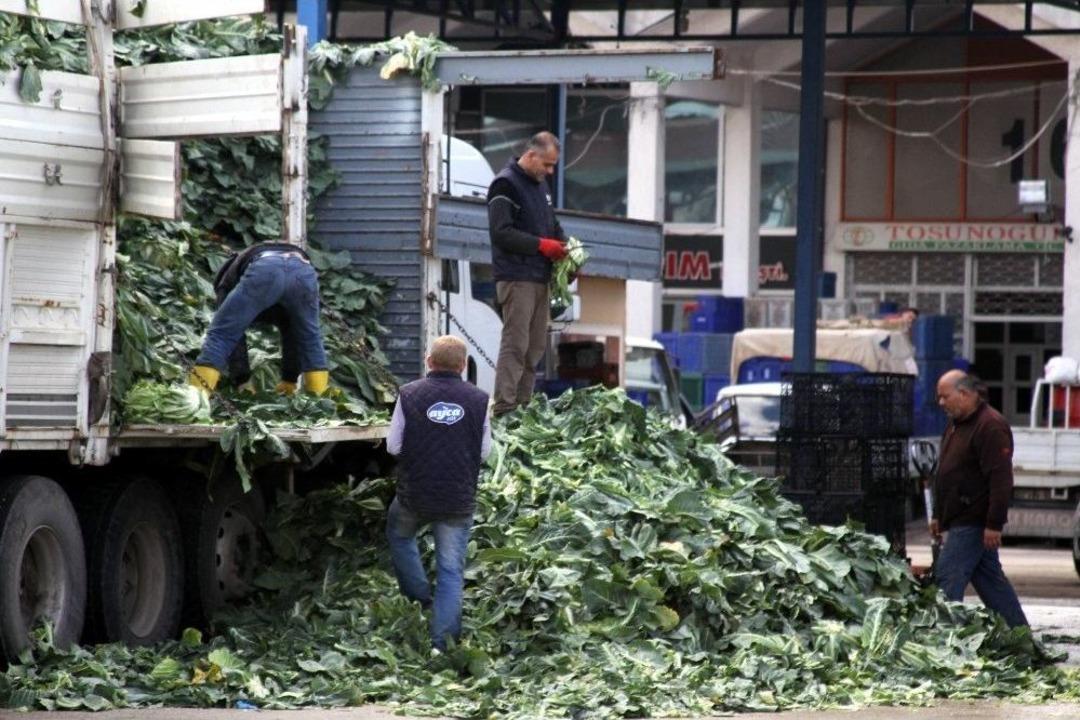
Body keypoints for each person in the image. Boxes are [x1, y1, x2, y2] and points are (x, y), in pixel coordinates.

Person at [385, 335, 492, 650]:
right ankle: (441, 645)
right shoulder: (480, 399)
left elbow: (393, 446)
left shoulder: (408, 394)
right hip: (457, 500)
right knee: (450, 571)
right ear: (463, 365)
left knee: (400, 536)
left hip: (413, 494)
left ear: (428, 361)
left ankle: (419, 597)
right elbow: (484, 452)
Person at [931, 369, 1028, 628]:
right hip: (960, 518)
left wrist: (994, 523)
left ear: (964, 394)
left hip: (973, 521)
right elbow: (946, 472)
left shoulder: (990, 426)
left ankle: (944, 640)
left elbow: (1001, 479)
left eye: (944, 397)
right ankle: (1019, 635)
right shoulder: (957, 424)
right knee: (990, 581)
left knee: (946, 579)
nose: (941, 403)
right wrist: (938, 514)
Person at [487, 131, 568, 416]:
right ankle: (505, 408)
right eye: (547, 164)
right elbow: (501, 233)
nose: (550, 171)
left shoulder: (541, 187)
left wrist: (566, 247)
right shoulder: (505, 184)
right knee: (516, 344)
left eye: (553, 165)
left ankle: (523, 407)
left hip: (539, 277)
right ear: (531, 155)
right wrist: (541, 245)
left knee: (534, 349)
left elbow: (552, 224)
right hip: (516, 276)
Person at [189, 242, 329, 396]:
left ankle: (197, 397)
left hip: (265, 270)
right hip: (303, 271)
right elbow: (294, 337)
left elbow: (232, 337)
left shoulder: (226, 284)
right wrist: (289, 380)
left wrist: (241, 380)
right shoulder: (283, 305)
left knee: (221, 334)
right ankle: (320, 402)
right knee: (310, 337)